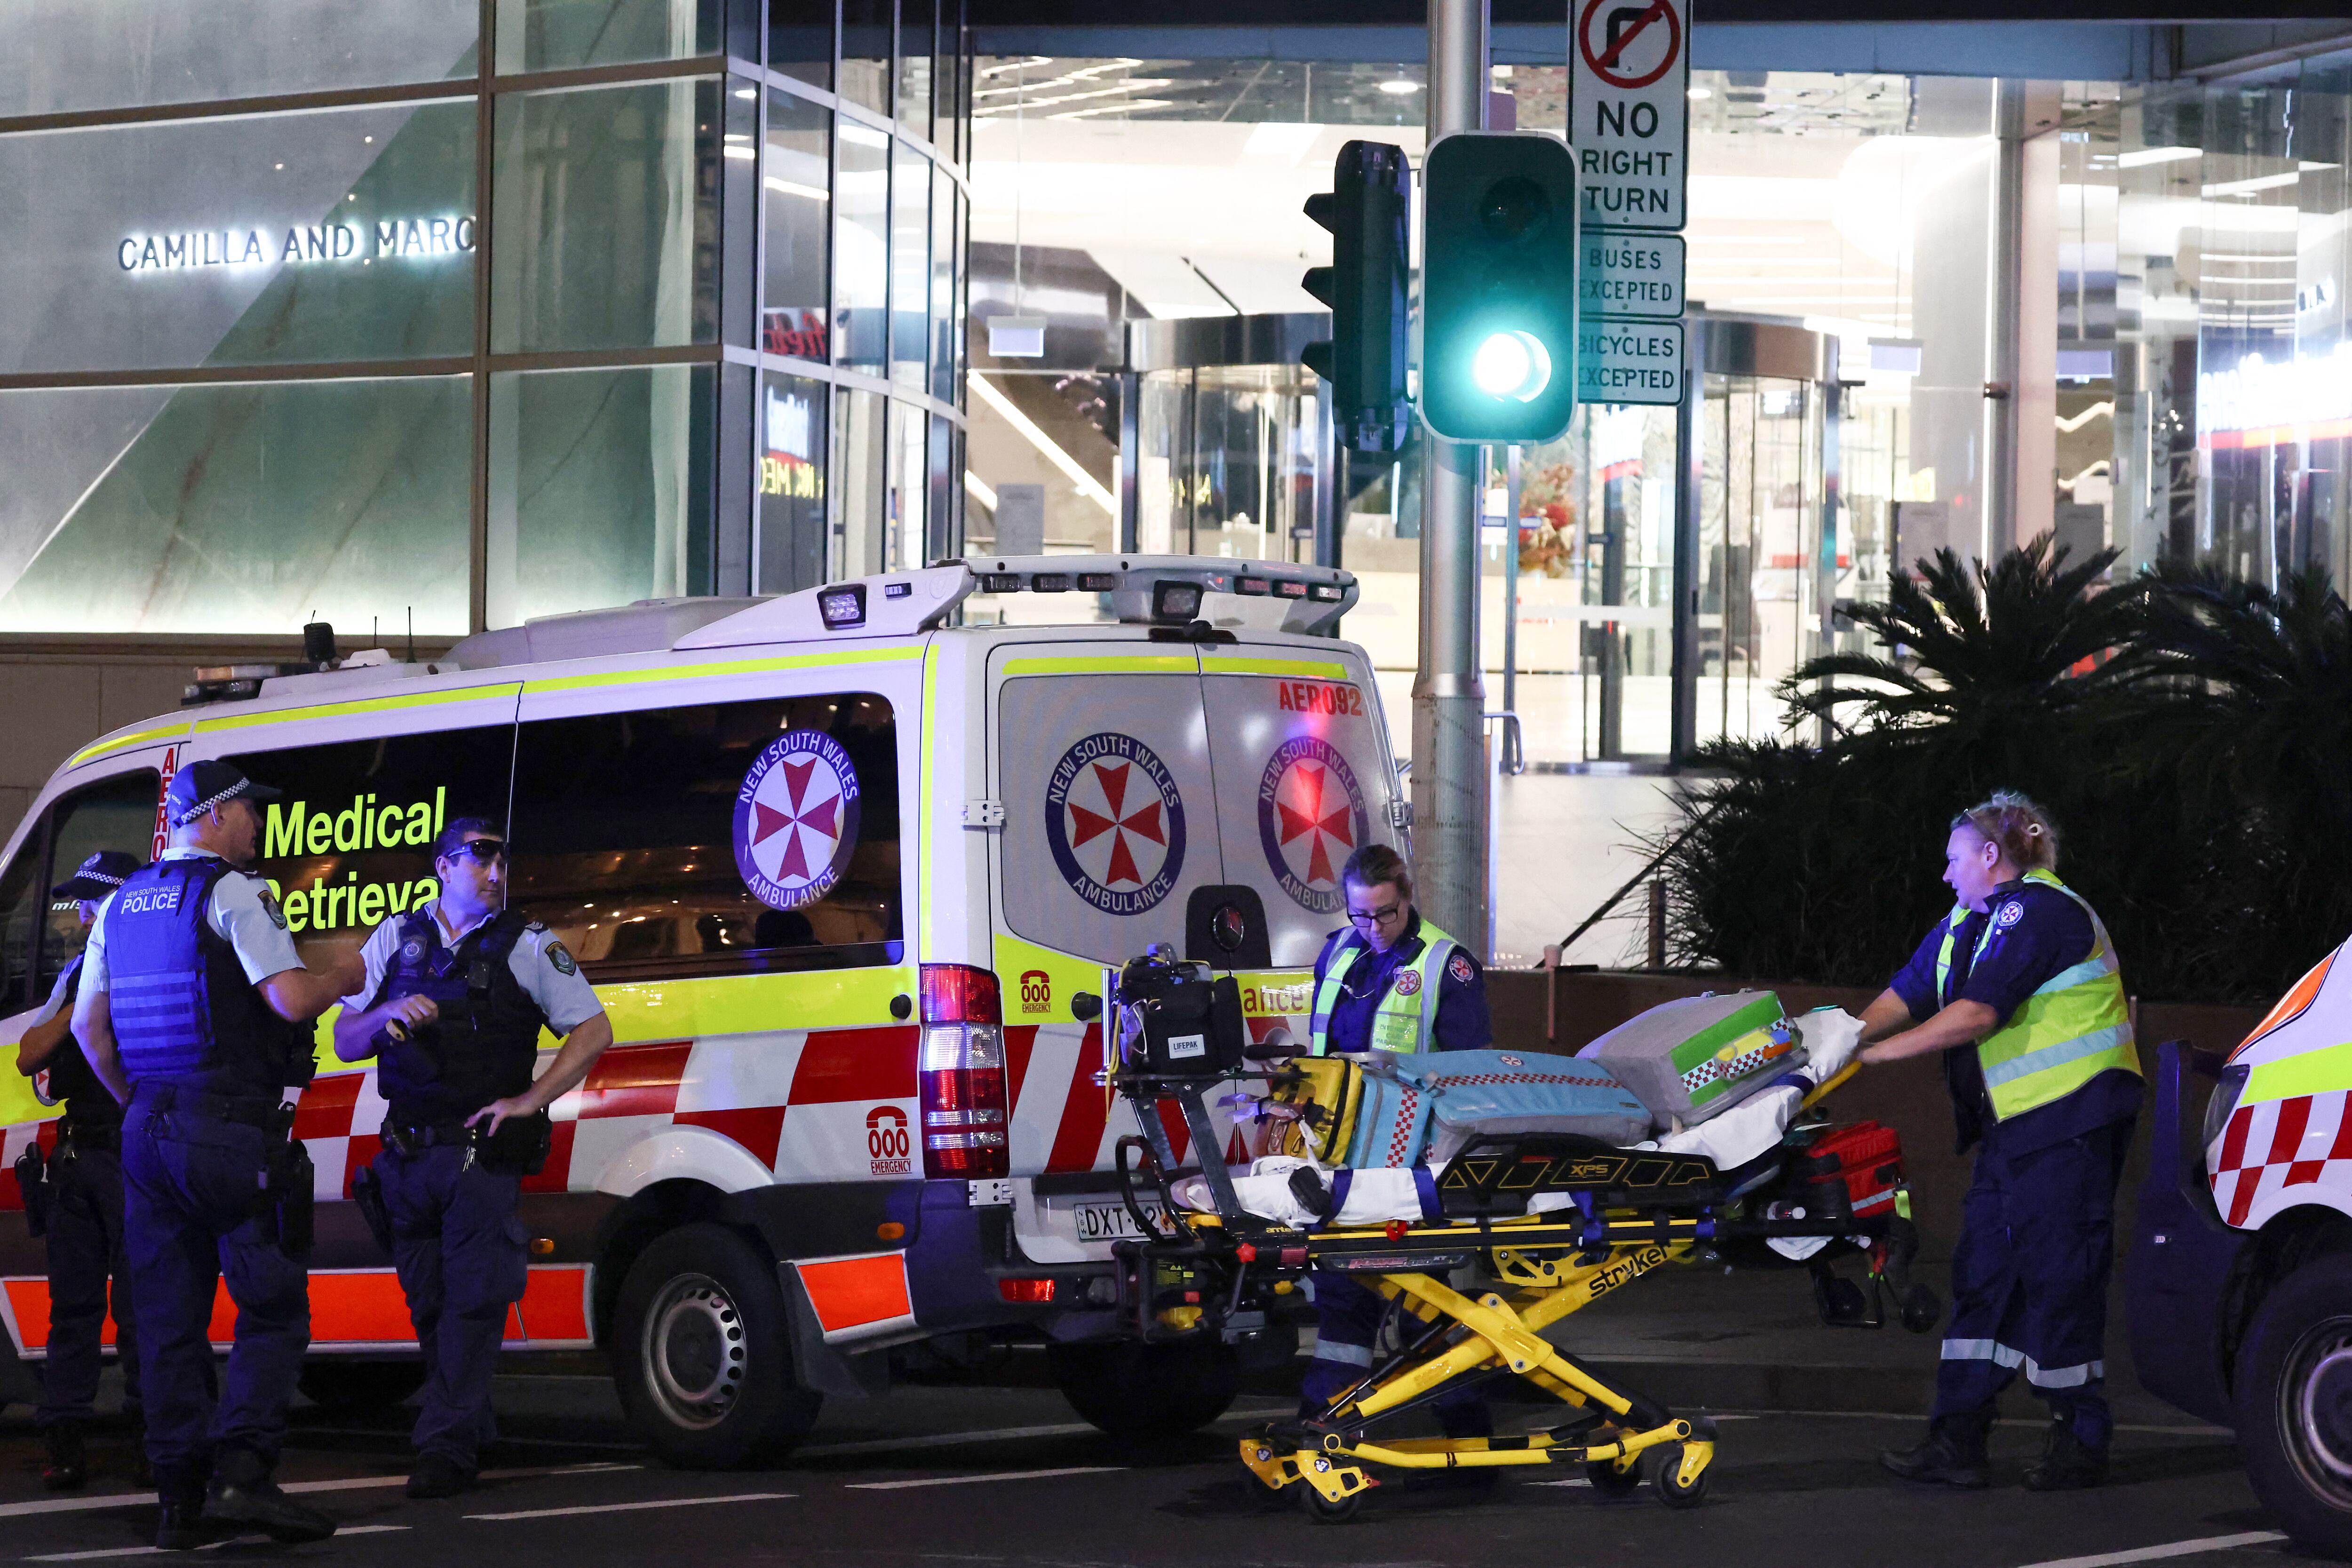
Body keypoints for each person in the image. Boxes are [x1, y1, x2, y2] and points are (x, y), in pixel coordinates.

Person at [71, 760, 364, 1551]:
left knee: (169, 1321)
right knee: (272, 1306)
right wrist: (342, 973)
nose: (258, 825)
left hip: (146, 1133)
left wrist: (137, 1102)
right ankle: (245, 1475)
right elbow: (289, 999)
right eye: (249, 811)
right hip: (229, 1132)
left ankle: (178, 1499)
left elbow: (89, 1029)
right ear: (216, 815)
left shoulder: (120, 904)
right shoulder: (234, 892)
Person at [1859, 791, 2141, 1492]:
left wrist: (1879, 1057)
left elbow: (1978, 1013)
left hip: (2068, 1122)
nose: (1945, 874)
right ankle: (1958, 1437)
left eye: (1954, 859)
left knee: (2060, 1278)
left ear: (1991, 856)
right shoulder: (1969, 922)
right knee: (1983, 1274)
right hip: (2015, 1130)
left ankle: (2079, 1438)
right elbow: (1906, 992)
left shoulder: (2039, 911)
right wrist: (1833, 1043)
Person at [334, 819, 612, 1500]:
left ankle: (444, 1447)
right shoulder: (395, 938)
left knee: (470, 1305)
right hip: (407, 1157)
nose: (495, 872)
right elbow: (344, 1039)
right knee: (431, 1306)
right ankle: (470, 1425)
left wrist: (529, 1100)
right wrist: (388, 1014)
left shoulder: (527, 943)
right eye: (480, 859)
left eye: (501, 861)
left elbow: (594, 1029)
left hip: (478, 1158)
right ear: (443, 867)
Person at [1296, 844, 1493, 1440]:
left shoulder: (1445, 966)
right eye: (1360, 915)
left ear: (1407, 899)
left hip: (1413, 1162)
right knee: (1344, 1290)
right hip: (1342, 1155)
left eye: (1385, 913)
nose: (1373, 928)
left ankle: (1463, 1430)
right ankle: (1324, 1420)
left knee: (1421, 1298)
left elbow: (1470, 1077)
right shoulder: (1338, 953)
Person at [16, 851, 146, 1491]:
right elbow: (28, 1055)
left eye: (96, 902)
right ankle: (64, 1436)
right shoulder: (76, 973)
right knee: (72, 1308)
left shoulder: (154, 965)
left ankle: (152, 1436)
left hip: (133, 1155)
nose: (85, 916)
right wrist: (82, 1000)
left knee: (140, 1307)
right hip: (78, 1159)